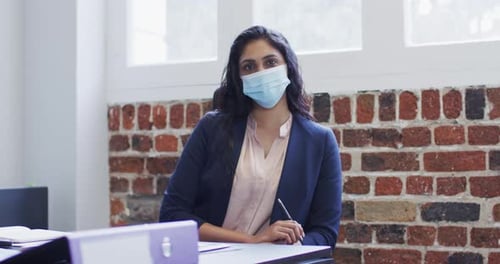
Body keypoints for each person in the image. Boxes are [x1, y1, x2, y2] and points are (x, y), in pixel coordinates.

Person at [159, 25, 342, 248]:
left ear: (288, 68)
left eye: (271, 62)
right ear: (239, 78)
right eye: (249, 66)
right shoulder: (211, 128)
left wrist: (285, 245)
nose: (261, 72)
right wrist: (252, 241)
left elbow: (325, 233)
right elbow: (172, 215)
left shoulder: (320, 142)